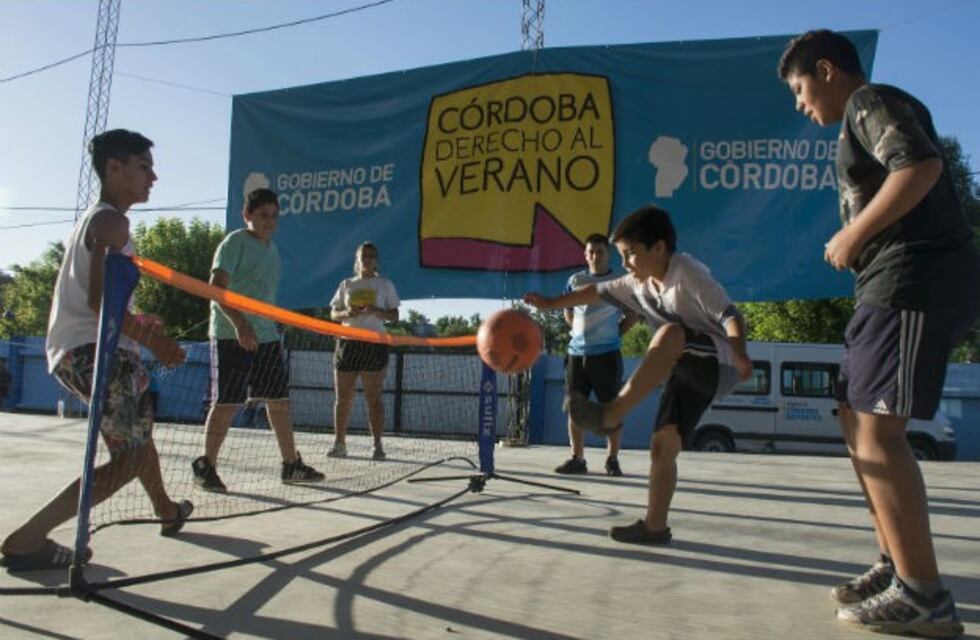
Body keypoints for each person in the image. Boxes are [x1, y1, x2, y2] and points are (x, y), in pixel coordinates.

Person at [778, 29, 978, 637]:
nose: (799, 103)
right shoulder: (857, 119)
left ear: (828, 70)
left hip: (914, 277)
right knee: (852, 418)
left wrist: (853, 234)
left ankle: (924, 595)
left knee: (878, 432)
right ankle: (895, 565)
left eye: (799, 88)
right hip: (885, 286)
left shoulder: (869, 101)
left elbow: (919, 166)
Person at [1, 130, 192, 571]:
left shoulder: (100, 221)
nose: (154, 176)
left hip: (83, 349)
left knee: (137, 443)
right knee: (131, 457)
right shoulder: (112, 222)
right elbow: (97, 304)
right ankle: (28, 538)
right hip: (95, 353)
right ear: (114, 167)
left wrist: (138, 323)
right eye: (144, 166)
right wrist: (156, 343)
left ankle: (165, 509)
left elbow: (101, 298)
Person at [524, 205, 752, 545]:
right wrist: (550, 303)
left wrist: (740, 353)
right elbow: (594, 292)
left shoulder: (686, 272)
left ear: (659, 248)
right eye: (623, 255)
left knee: (669, 334)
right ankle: (655, 526)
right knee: (663, 445)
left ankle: (612, 412)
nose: (627, 262)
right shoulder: (637, 283)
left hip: (719, 361)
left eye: (631, 254)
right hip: (684, 367)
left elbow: (730, 314)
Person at [191, 188, 324, 492]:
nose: (269, 221)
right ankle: (206, 465)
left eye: (274, 216)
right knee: (228, 401)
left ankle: (291, 464)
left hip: (266, 337)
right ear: (247, 215)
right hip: (231, 335)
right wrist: (240, 324)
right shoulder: (234, 243)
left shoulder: (272, 249)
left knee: (279, 402)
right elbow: (217, 289)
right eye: (262, 214)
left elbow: (263, 294)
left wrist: (272, 325)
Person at [554, 233, 636, 477]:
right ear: (585, 254)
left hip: (607, 356)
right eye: (590, 252)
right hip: (576, 355)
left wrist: (615, 336)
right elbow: (567, 311)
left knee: (612, 408)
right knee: (575, 408)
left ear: (607, 254)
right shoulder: (575, 280)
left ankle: (612, 459)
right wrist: (578, 333)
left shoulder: (619, 281)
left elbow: (631, 315)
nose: (595, 256)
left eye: (599, 252)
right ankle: (577, 459)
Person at [328, 242, 400, 461]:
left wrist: (377, 310)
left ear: (376, 261)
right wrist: (346, 313)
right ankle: (339, 444)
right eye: (363, 256)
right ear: (357, 261)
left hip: (373, 344)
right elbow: (333, 313)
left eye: (371, 256)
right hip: (348, 343)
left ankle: (377, 445)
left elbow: (395, 315)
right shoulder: (346, 284)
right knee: (343, 398)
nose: (367, 259)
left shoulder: (384, 284)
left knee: (374, 398)